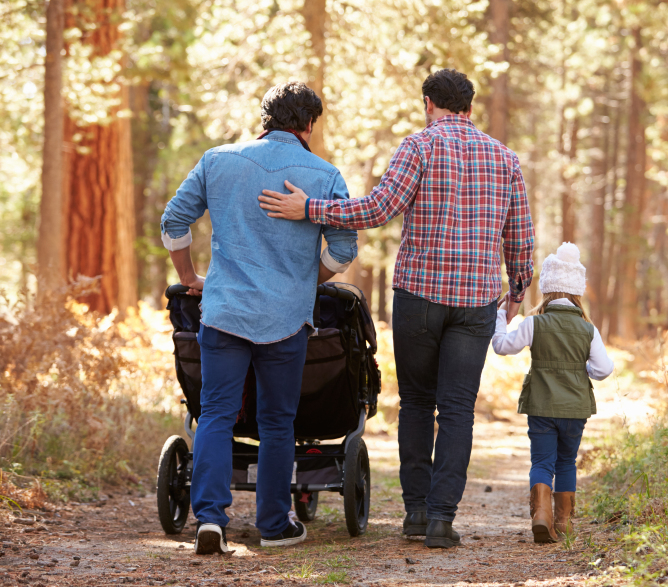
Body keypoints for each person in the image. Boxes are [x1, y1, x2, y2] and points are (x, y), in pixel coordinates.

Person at [257, 69, 535, 548]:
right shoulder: (505, 158)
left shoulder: (419, 147)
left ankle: (416, 514)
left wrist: (311, 209)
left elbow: (378, 209)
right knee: (457, 410)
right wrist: (515, 293)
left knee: (417, 404)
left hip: (419, 298)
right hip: (475, 302)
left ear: (429, 103)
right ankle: (443, 520)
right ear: (469, 106)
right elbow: (521, 238)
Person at [160, 82, 358, 554]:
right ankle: (273, 525)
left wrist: (190, 276)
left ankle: (209, 520)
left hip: (224, 311)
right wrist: (303, 285)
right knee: (276, 422)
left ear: (265, 118)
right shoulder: (326, 174)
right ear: (309, 125)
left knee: (214, 414)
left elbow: (173, 220)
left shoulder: (217, 159)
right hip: (286, 320)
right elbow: (344, 250)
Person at [492, 242, 614, 544]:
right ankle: (563, 521)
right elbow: (604, 369)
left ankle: (541, 515)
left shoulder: (534, 323)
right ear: (576, 291)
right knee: (566, 463)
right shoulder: (588, 329)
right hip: (575, 409)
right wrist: (579, 371)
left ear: (547, 288)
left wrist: (498, 317)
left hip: (542, 406)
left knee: (542, 462)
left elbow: (501, 346)